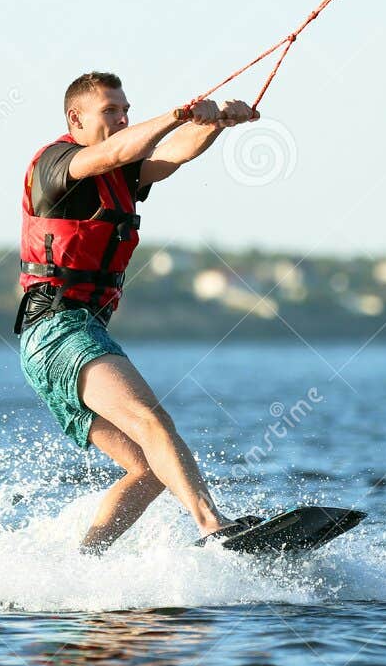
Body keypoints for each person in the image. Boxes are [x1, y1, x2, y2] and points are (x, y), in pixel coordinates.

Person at [15, 71, 255, 553]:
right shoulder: (58, 164)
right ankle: (212, 524)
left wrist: (215, 124)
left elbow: (169, 155)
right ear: (75, 118)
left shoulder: (119, 173)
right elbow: (116, 152)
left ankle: (82, 564)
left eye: (125, 110)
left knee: (148, 470)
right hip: (57, 329)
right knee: (152, 419)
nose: (122, 118)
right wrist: (174, 114)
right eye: (111, 111)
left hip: (65, 338)